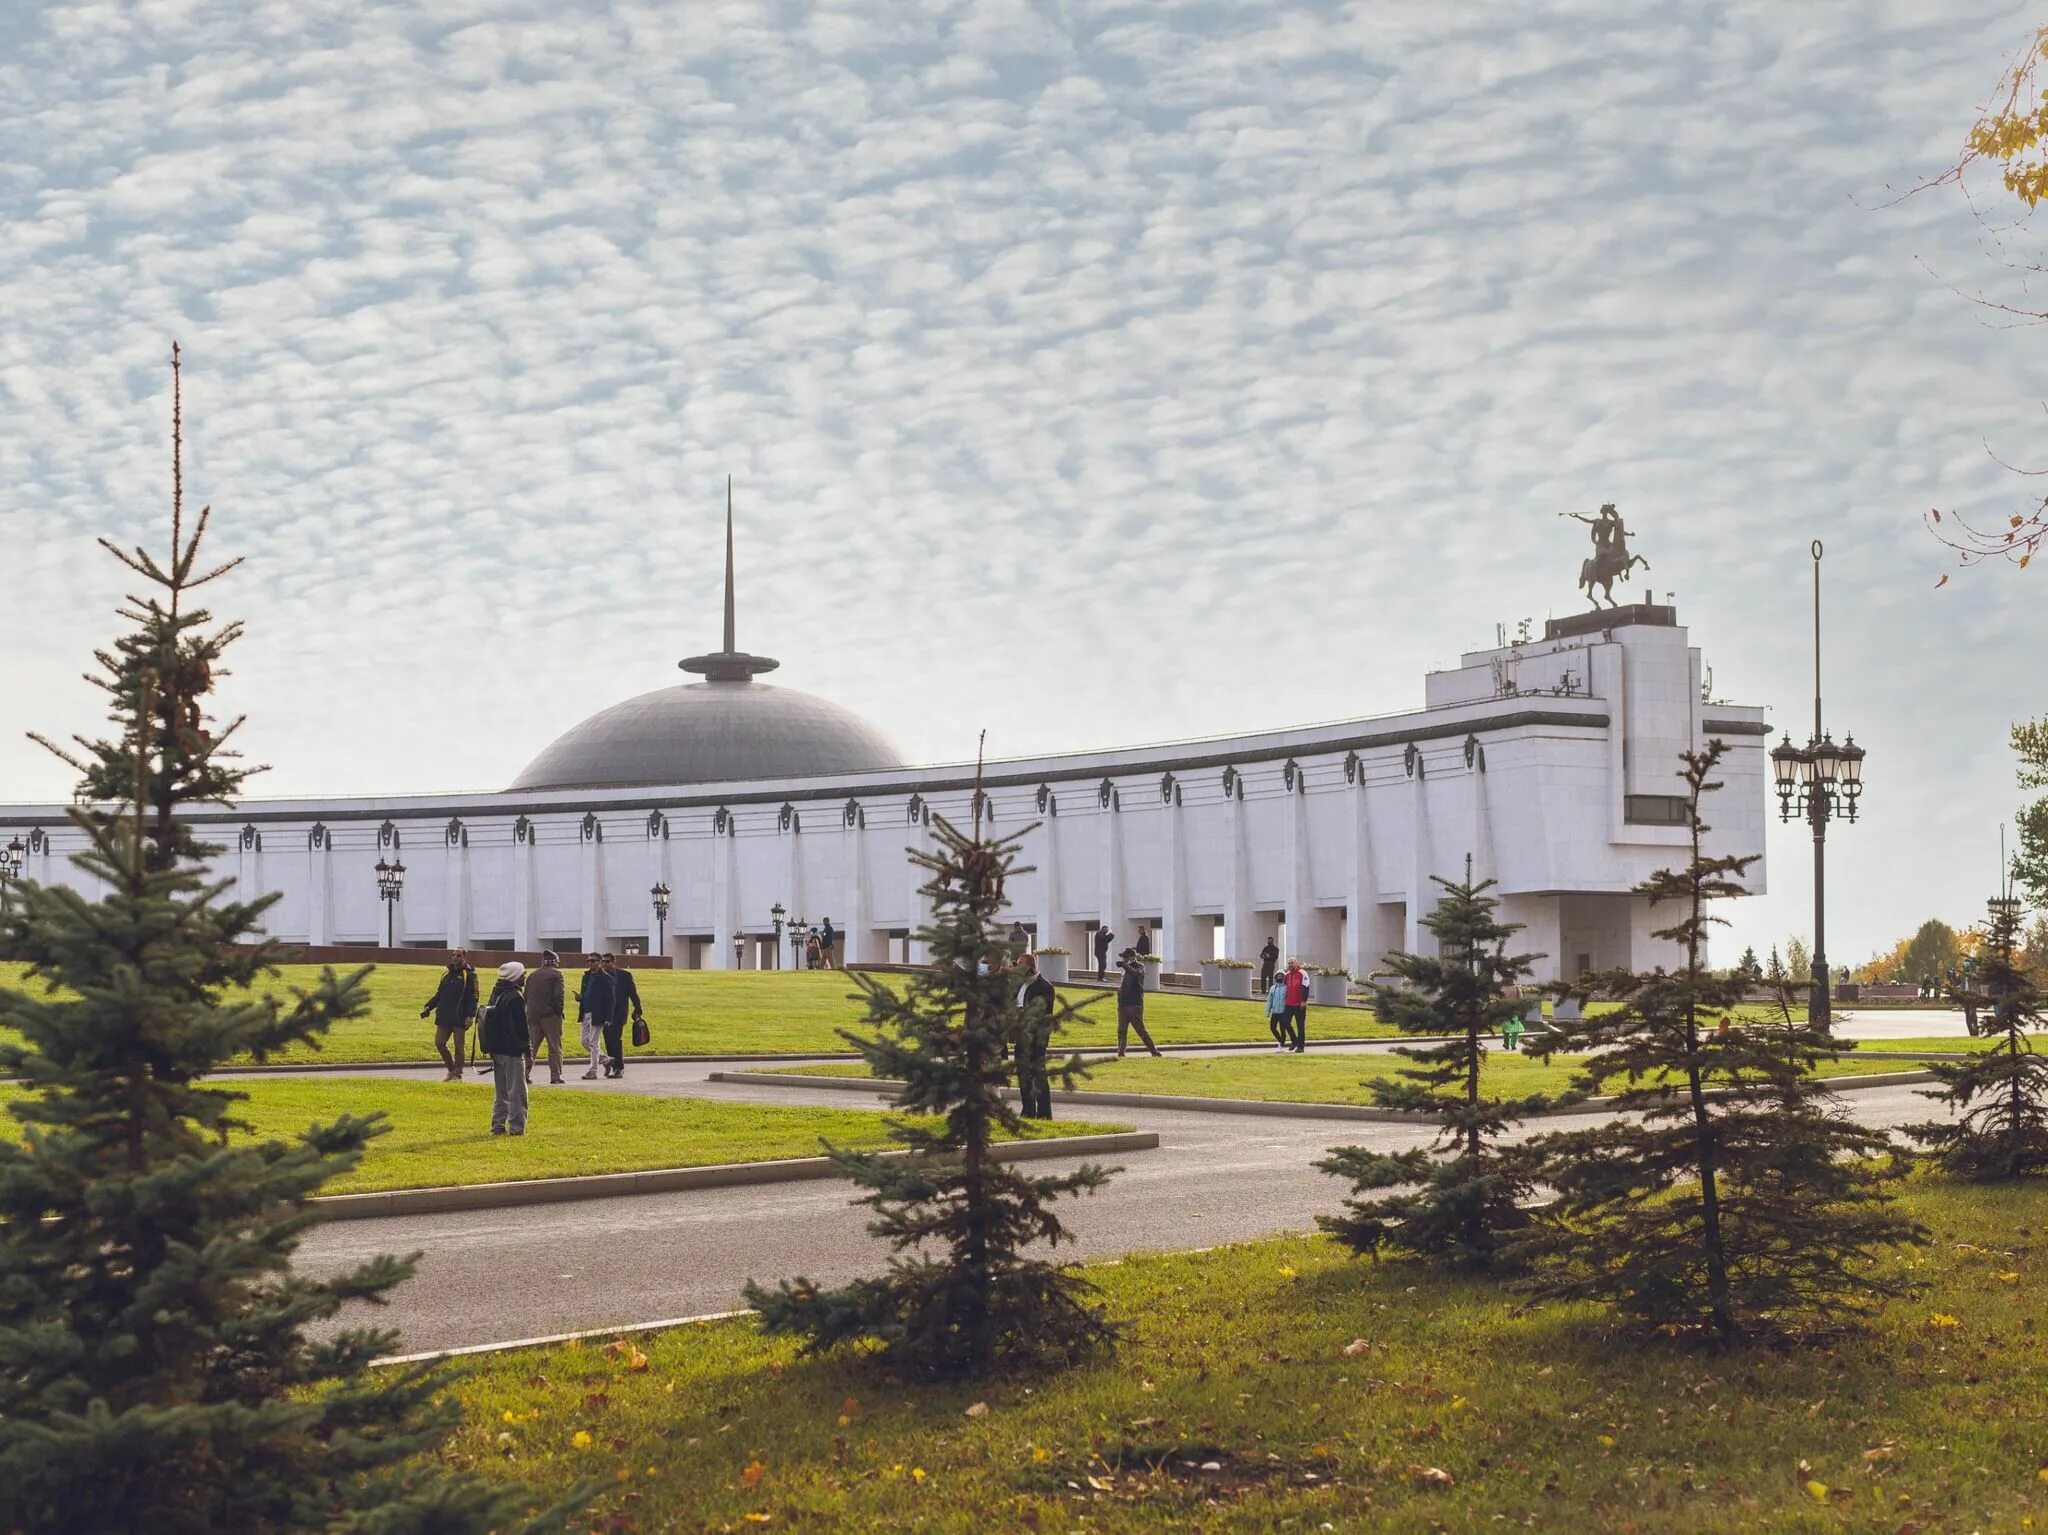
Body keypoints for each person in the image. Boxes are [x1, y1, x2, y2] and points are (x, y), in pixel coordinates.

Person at [480, 961, 530, 1136]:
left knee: (501, 1091)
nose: (525, 977)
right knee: (517, 1091)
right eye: (523, 974)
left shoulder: (497, 992)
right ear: (515, 976)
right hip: (512, 1050)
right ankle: (517, 1128)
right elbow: (521, 1027)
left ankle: (498, 1124)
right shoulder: (515, 997)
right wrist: (528, 1050)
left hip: (497, 1048)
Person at [419, 950, 479, 1081]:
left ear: (464, 957)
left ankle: (458, 1074)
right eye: (453, 955)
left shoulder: (470, 975)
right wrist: (429, 1006)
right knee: (439, 1043)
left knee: (459, 1046)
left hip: (460, 1017)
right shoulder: (447, 974)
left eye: (459, 955)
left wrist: (470, 1015)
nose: (455, 958)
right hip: (444, 1016)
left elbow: (473, 997)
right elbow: (439, 994)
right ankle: (451, 1069)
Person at [1016, 956, 1056, 1119]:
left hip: (1036, 1037)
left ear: (1031, 967)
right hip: (1021, 1036)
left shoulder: (1044, 986)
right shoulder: (1020, 985)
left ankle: (1044, 1113)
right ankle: (1028, 1110)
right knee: (1023, 1074)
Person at [524, 949, 567, 1084]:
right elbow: (558, 996)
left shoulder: (532, 975)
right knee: (554, 1047)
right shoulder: (556, 975)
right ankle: (555, 1076)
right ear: (555, 962)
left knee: (531, 1047)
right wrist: (558, 1012)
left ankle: (524, 1074)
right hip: (551, 1016)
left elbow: (526, 995)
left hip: (532, 1014)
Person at [600, 952, 644, 1079]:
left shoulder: (624, 976)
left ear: (613, 962)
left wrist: (638, 1009)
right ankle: (613, 1065)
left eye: (607, 961)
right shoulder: (600, 976)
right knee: (608, 1040)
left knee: (615, 1040)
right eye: (603, 961)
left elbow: (633, 994)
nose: (604, 964)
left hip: (618, 1014)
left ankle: (619, 1067)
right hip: (604, 1014)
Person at [1115, 947, 1162, 1058]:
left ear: (1132, 957)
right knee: (1121, 1030)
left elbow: (1136, 975)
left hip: (1134, 1004)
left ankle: (1154, 1051)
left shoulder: (1139, 967)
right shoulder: (1126, 969)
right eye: (1123, 957)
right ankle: (1121, 1052)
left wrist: (1125, 965)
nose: (1124, 959)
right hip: (1123, 1004)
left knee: (1140, 1030)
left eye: (1126, 957)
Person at [577, 953, 613, 1080]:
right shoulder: (586, 977)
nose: (590, 963)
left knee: (593, 1042)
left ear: (599, 962)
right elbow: (585, 993)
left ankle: (592, 1071)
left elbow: (610, 999)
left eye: (593, 961)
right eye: (588, 961)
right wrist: (580, 998)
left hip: (598, 1013)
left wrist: (608, 1017)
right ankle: (606, 1060)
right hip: (586, 1012)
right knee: (584, 1041)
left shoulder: (605, 978)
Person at [1280, 959, 1311, 1053]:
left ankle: (1301, 1046)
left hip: (1299, 1004)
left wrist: (1304, 1000)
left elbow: (1306, 987)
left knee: (1300, 1025)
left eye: (1292, 963)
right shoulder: (1287, 975)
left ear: (1296, 963)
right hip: (1289, 1003)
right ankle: (1294, 1040)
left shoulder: (1302, 973)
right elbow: (1284, 988)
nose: (1290, 964)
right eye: (1289, 963)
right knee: (1284, 1022)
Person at [1265, 969, 1291, 1052]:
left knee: (1282, 1029)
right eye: (1278, 976)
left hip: (1283, 1012)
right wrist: (1268, 1011)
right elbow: (1270, 1000)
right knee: (1272, 1028)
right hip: (1275, 1012)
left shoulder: (1287, 987)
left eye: (1281, 976)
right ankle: (1281, 1041)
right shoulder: (1273, 988)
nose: (1279, 977)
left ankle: (1281, 1045)